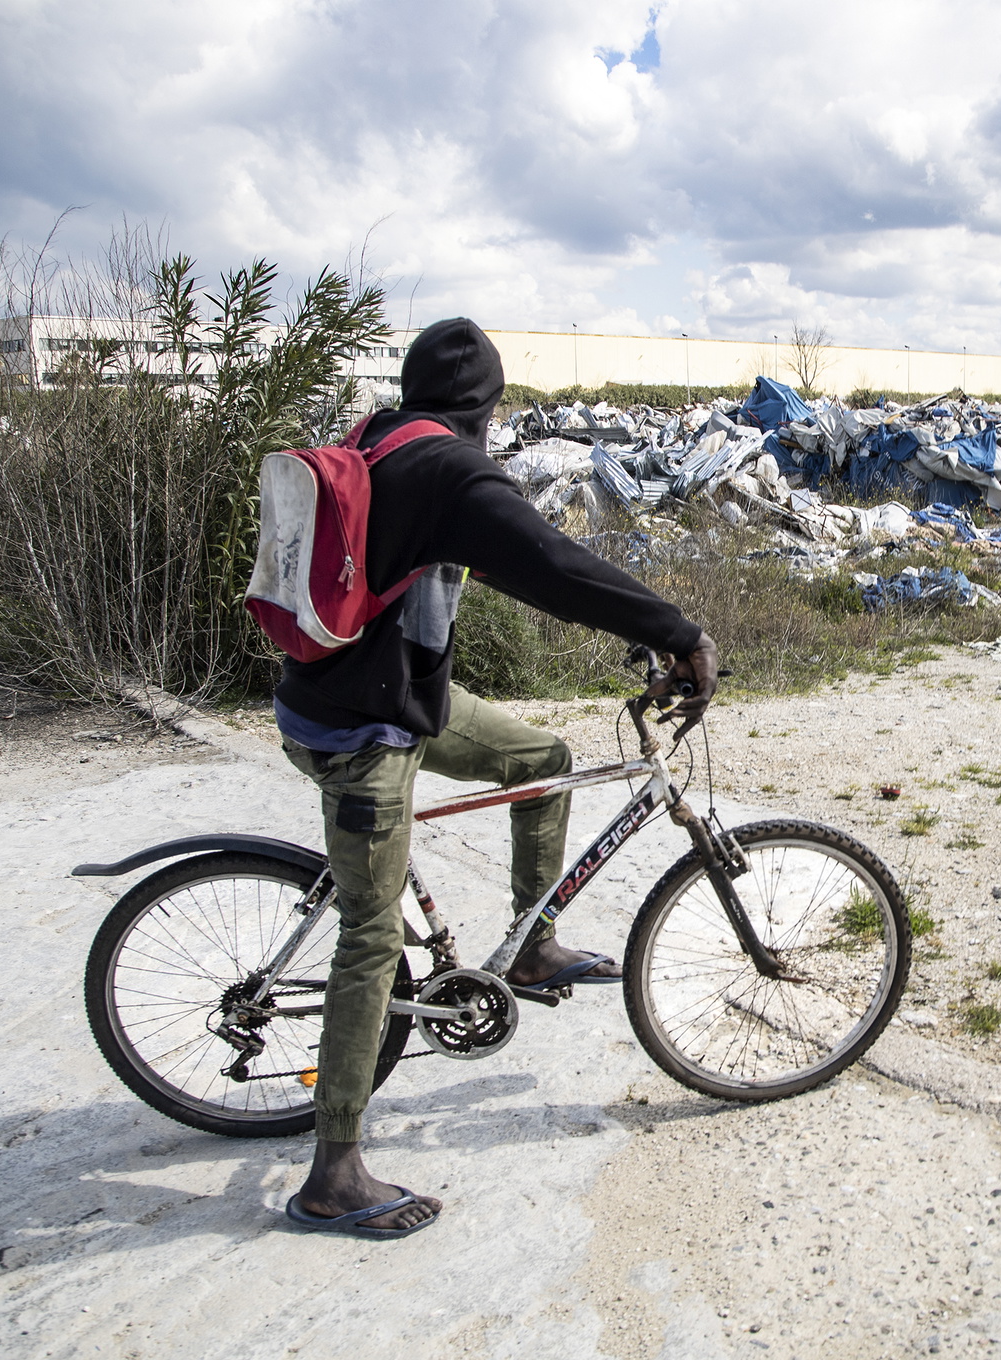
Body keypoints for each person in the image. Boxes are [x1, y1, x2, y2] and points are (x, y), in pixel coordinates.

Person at [277, 318, 717, 1238]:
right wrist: (677, 631)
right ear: (488, 405)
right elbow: (550, 563)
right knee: (370, 932)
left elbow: (530, 567)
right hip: (363, 728)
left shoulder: (381, 437)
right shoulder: (449, 471)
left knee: (542, 761)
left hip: (375, 690)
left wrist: (631, 623)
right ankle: (335, 1170)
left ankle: (531, 943)